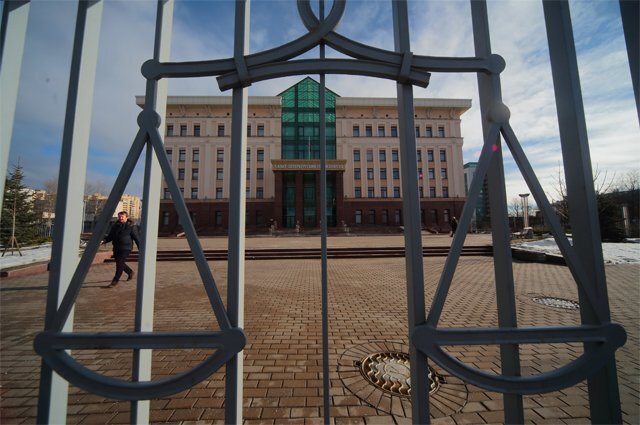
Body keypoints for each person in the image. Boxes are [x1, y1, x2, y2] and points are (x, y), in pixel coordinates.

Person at [101, 211, 140, 288]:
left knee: (119, 263)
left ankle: (115, 281)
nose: (120, 218)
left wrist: (141, 249)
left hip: (126, 248)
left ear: (126, 217)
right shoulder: (115, 226)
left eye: (122, 216)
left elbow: (137, 238)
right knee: (120, 262)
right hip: (116, 247)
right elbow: (110, 236)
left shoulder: (131, 226)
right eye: (119, 216)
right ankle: (130, 272)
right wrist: (104, 241)